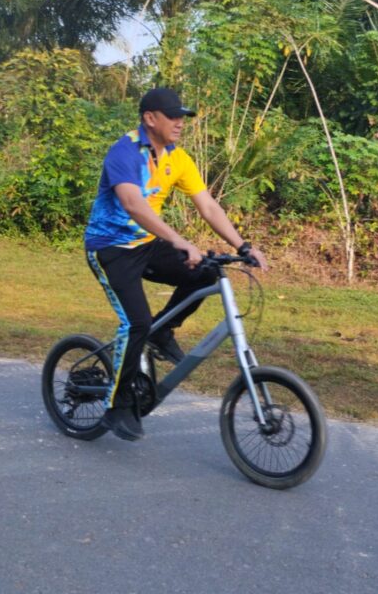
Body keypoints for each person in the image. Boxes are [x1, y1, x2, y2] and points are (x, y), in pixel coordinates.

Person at [84, 87, 267, 442]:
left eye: (183, 117)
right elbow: (135, 205)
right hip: (111, 249)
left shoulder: (177, 158)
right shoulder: (123, 153)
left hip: (149, 245)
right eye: (173, 116)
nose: (180, 123)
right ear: (150, 118)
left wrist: (243, 246)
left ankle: (163, 331)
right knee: (135, 323)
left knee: (206, 271)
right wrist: (180, 241)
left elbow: (209, 207)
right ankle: (117, 406)